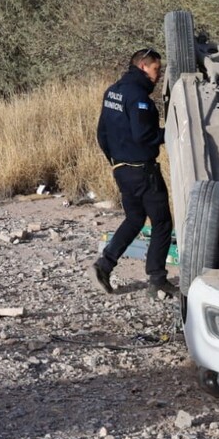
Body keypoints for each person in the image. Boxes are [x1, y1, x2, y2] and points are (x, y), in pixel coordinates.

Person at [92, 47, 178, 296]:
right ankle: (157, 279)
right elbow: (144, 136)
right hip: (143, 170)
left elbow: (102, 133)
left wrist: (116, 161)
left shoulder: (113, 92)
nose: (157, 75)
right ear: (143, 66)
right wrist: (171, 131)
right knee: (162, 223)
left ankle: (104, 265)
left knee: (135, 218)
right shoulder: (139, 97)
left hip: (121, 169)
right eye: (155, 69)